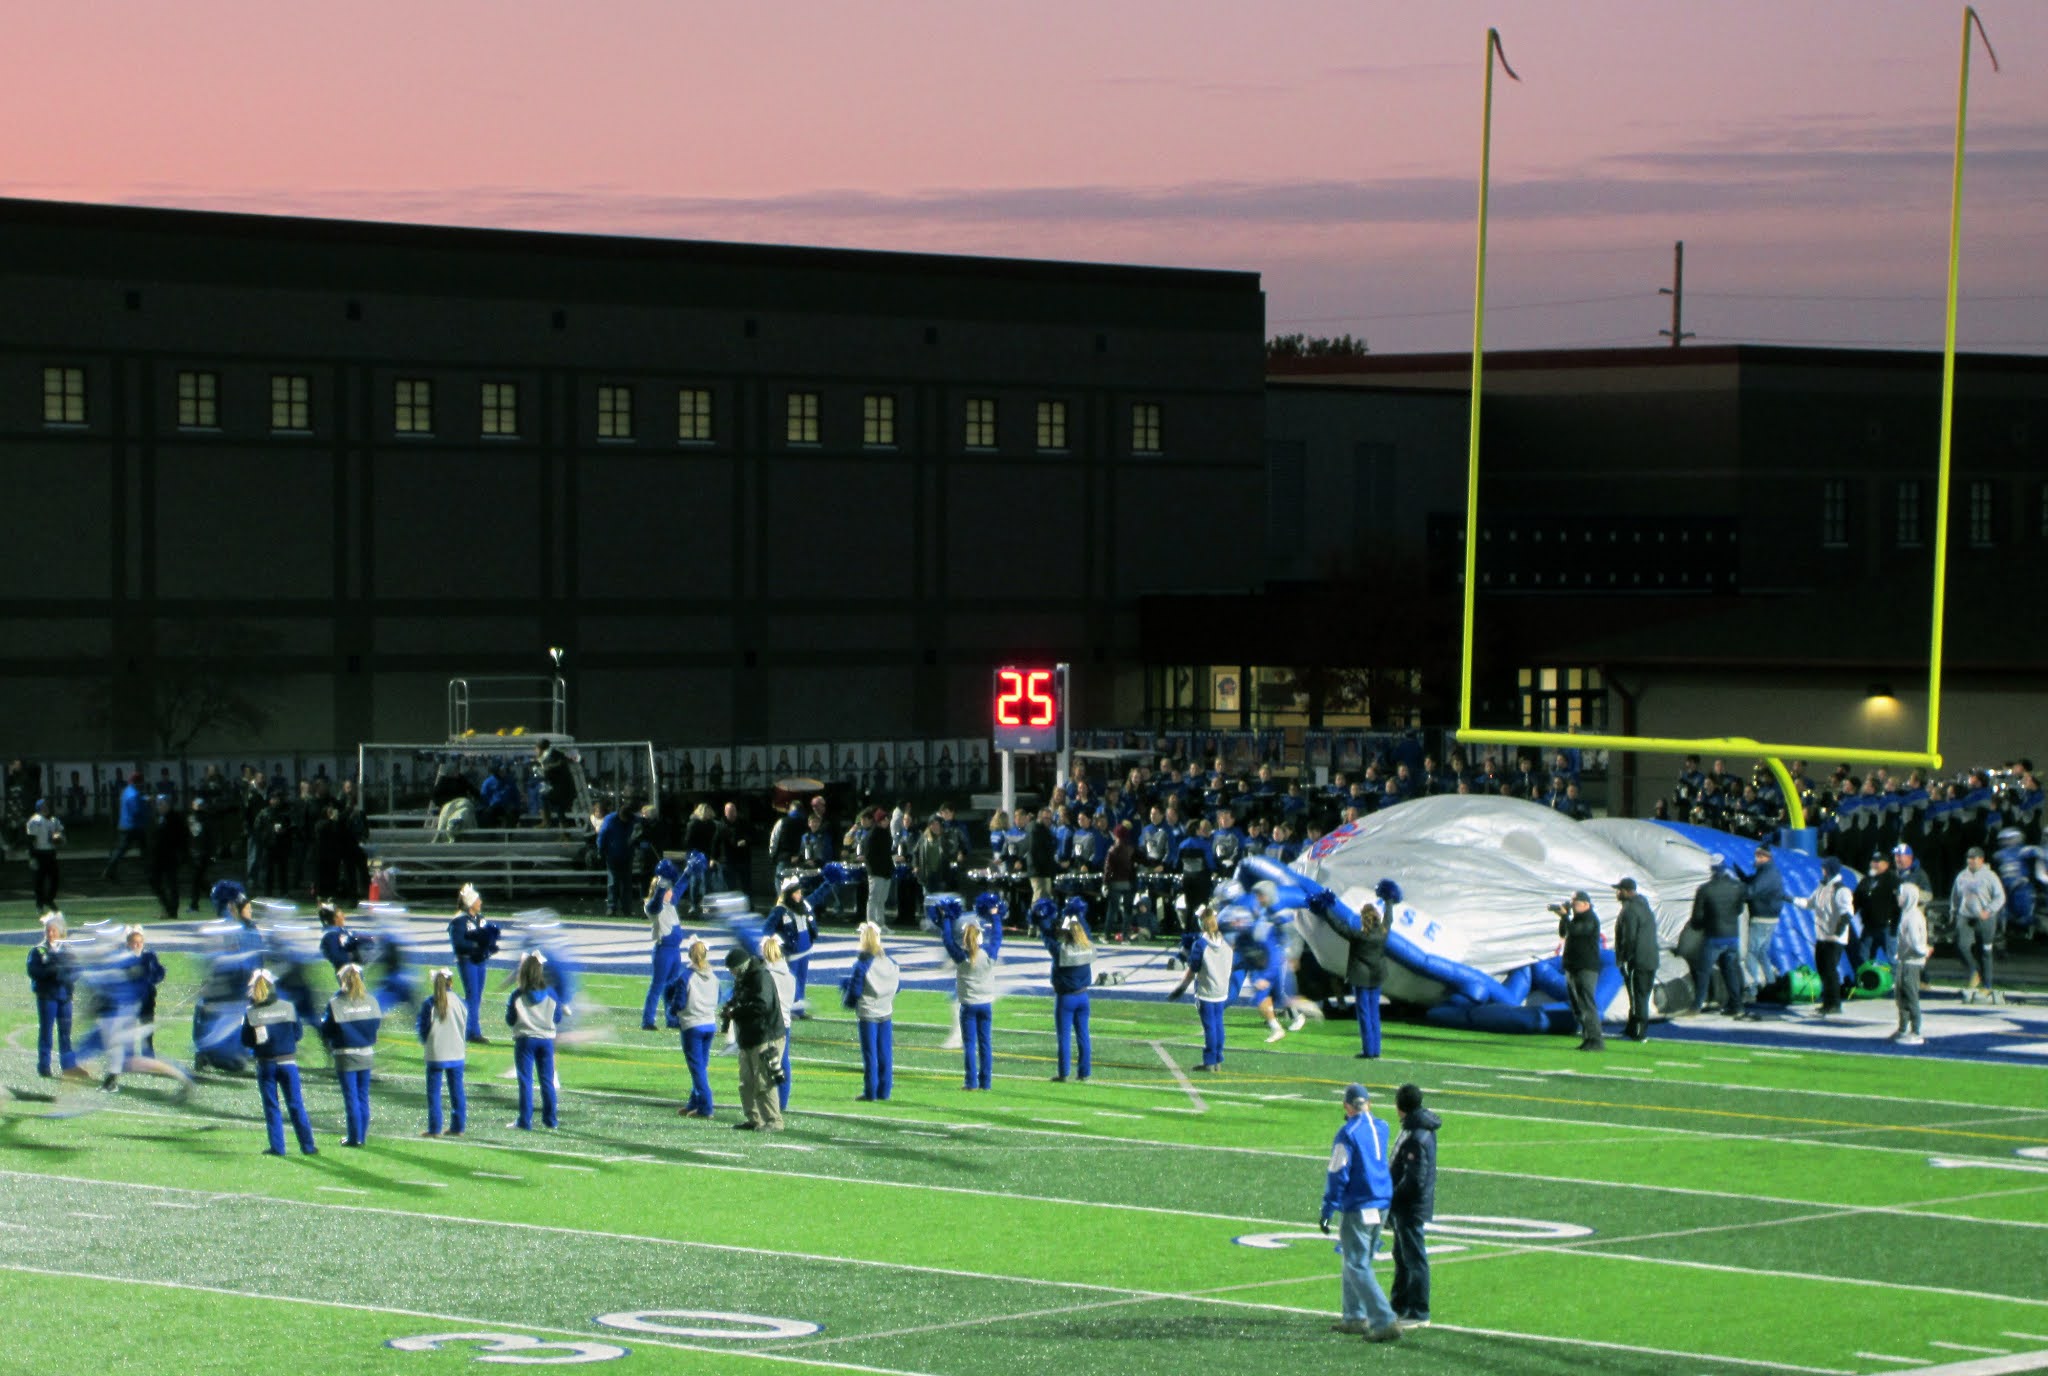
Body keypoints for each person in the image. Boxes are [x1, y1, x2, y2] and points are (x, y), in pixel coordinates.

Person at [1321, 1083, 1400, 1342]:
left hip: (1360, 1202)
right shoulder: (1382, 1126)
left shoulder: (1347, 1134)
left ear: (1346, 1106)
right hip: (1382, 1201)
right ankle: (1354, 1315)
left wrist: (1329, 1205)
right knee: (1356, 1259)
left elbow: (1337, 1171)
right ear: (1369, 1104)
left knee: (1356, 1263)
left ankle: (1383, 1319)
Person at [243, 968, 318, 1156]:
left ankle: (278, 1147)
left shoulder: (252, 1011)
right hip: (288, 1063)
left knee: (272, 1107)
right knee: (296, 1105)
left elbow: (246, 1040)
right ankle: (307, 1146)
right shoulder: (288, 1007)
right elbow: (298, 1034)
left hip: (266, 1064)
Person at [939, 894, 1005, 1090]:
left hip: (968, 1007)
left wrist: (947, 918)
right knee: (985, 1044)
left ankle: (971, 1082)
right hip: (986, 1005)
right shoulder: (989, 955)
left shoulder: (961, 958)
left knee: (970, 1045)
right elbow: (998, 936)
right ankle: (986, 1082)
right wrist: (995, 915)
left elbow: (948, 940)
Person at [1388, 1083, 1439, 1329]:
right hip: (1405, 1206)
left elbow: (1414, 1180)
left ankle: (1418, 1312)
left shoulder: (1416, 1135)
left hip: (1409, 1207)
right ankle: (1399, 1307)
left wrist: (1392, 1197)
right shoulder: (1415, 1128)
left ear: (1400, 1107)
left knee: (1413, 1258)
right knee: (1402, 1256)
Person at [722, 943, 784, 1130]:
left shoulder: (761, 978)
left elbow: (761, 1006)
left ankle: (774, 1121)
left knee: (764, 1081)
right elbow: (740, 999)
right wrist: (730, 1007)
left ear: (741, 967)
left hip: (766, 1036)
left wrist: (737, 1012)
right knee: (746, 1082)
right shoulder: (745, 977)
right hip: (748, 1037)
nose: (732, 973)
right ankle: (754, 1118)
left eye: (733, 970)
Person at [320, 963, 381, 1147]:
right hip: (367, 1052)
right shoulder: (371, 1000)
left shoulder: (336, 1002)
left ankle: (354, 1138)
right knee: (363, 1096)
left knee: (351, 1097)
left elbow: (326, 1029)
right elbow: (376, 1024)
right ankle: (361, 1135)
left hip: (345, 1054)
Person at [1167, 904, 1234, 1071]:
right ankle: (1218, 1058)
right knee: (1219, 1024)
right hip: (1222, 989)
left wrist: (1180, 988)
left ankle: (1210, 1060)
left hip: (1206, 991)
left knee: (1210, 1026)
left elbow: (1193, 970)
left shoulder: (1201, 945)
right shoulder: (1226, 942)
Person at [842, 921, 900, 1102]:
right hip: (886, 1011)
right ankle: (885, 1091)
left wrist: (847, 996)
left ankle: (870, 1092)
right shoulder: (890, 962)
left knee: (870, 1055)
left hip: (868, 1013)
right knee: (885, 1053)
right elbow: (897, 987)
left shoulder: (862, 964)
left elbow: (856, 991)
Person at [1040, 897, 1095, 1082]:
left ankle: (1064, 1073)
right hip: (1083, 997)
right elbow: (1085, 930)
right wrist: (1077, 914)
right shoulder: (1087, 946)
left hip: (1065, 999)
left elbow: (1047, 938)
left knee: (1064, 1037)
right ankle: (1084, 1073)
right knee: (1083, 1035)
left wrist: (1042, 919)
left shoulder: (1061, 951)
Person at [1329, 894, 1389, 1058]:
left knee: (1364, 1013)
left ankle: (1368, 1050)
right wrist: (1389, 902)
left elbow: (1338, 927)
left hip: (1361, 978)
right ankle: (1376, 1050)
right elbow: (1389, 920)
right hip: (1376, 977)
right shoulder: (1383, 934)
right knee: (1374, 1013)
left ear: (1363, 919)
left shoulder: (1359, 936)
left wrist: (1326, 909)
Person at [506, 951, 561, 1130]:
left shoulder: (517, 994)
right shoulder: (551, 993)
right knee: (547, 1080)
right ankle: (550, 1120)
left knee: (525, 1081)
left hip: (525, 1040)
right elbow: (557, 1017)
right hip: (546, 1041)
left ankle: (525, 1120)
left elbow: (510, 1019)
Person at [1688, 857, 1747, 1017]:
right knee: (1730, 971)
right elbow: (1739, 909)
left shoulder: (1705, 889)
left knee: (1704, 971)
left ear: (1712, 870)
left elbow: (1697, 918)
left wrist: (1700, 926)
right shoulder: (1737, 887)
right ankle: (1737, 1005)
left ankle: (1696, 1005)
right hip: (1732, 936)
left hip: (1713, 936)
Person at [415, 967, 468, 1137]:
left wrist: (427, 1042)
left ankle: (435, 1128)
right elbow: (467, 1022)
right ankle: (458, 1126)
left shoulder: (430, 1002)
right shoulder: (459, 1001)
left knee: (434, 1093)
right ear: (451, 982)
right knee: (457, 1090)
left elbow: (423, 1028)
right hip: (457, 1050)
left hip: (436, 1052)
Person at [672, 938, 721, 1119]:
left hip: (692, 1025)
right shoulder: (713, 975)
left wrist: (673, 1012)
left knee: (697, 1068)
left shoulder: (686, 976)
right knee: (701, 1066)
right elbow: (719, 997)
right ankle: (694, 1102)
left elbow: (679, 1001)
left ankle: (706, 1107)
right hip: (709, 1023)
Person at [1950, 845, 2006, 1003]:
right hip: (1965, 915)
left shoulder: (1990, 876)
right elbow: (1955, 896)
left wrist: (1988, 910)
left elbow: (2000, 897)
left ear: (1981, 859)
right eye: (1969, 858)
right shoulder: (1962, 876)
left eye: (1974, 858)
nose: (1971, 861)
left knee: (1986, 951)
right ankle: (1974, 970)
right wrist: (1953, 912)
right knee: (1961, 945)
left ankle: (1987, 985)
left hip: (1985, 917)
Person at [448, 884, 501, 1044]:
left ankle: (470, 1030)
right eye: (478, 899)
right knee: (472, 995)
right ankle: (472, 1032)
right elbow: (458, 944)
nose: (481, 902)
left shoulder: (480, 919)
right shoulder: (459, 921)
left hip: (480, 961)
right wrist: (477, 946)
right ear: (471, 903)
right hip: (467, 960)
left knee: (476, 997)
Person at [27, 914, 78, 1078]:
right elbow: (33, 971)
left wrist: (64, 976)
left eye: (54, 930)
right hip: (47, 996)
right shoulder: (39, 950)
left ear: (60, 931)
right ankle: (44, 1066)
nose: (51, 934)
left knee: (65, 1033)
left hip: (64, 997)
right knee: (46, 1032)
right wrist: (51, 970)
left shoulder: (67, 949)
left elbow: (76, 971)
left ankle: (68, 1066)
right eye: (48, 930)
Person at [1612, 877, 1660, 1041]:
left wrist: (1625, 958)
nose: (1617, 893)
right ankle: (1632, 1028)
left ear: (1626, 891)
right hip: (1650, 959)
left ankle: (1638, 1032)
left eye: (1619, 890)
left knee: (1637, 997)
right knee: (1642, 996)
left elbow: (1629, 937)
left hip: (1637, 960)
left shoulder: (1630, 910)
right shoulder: (1644, 906)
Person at [764, 875, 819, 1019]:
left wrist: (829, 883)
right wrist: (768, 943)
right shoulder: (780, 910)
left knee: (801, 980)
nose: (800, 895)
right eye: (797, 893)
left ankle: (799, 1010)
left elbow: (818, 896)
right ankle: (789, 1009)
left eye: (800, 893)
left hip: (805, 951)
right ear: (789, 894)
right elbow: (767, 928)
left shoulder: (803, 906)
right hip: (792, 952)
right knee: (791, 981)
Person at [643, 859, 687, 1031]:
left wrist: (688, 872)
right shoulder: (652, 905)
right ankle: (648, 1020)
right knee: (658, 985)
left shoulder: (670, 903)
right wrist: (661, 886)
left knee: (672, 986)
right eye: (668, 889)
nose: (671, 892)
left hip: (675, 951)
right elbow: (654, 905)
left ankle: (671, 1018)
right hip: (664, 951)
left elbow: (681, 887)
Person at [1559, 890, 1606, 1049]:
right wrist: (1563, 918)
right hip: (1573, 967)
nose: (1572, 906)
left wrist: (1566, 917)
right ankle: (1587, 1037)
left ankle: (1596, 1040)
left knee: (1587, 1003)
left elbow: (1575, 931)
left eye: (1575, 903)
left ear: (1585, 904)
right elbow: (1564, 932)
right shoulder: (1577, 919)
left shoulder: (1590, 919)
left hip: (1586, 967)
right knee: (1578, 1005)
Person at [1810, 859, 1856, 1016]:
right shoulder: (1822, 887)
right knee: (1823, 969)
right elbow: (1810, 903)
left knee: (1830, 971)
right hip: (1822, 936)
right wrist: (1790, 899)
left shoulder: (1841, 889)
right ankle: (1827, 1002)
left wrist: (1840, 928)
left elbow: (1847, 911)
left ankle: (1834, 1004)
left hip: (1834, 939)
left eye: (1824, 868)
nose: (1822, 871)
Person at [758, 933, 797, 1115]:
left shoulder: (764, 976)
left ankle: (769, 1102)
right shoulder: (789, 975)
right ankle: (783, 1101)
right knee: (783, 1061)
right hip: (785, 1022)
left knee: (766, 1063)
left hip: (768, 1023)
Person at [1743, 845, 1785, 999]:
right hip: (1770, 918)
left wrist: (1739, 891)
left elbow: (1752, 891)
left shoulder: (1767, 874)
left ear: (1767, 857)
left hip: (1762, 917)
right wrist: (1744, 878)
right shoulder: (1768, 872)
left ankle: (1755, 987)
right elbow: (1755, 882)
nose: (1756, 859)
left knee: (1751, 953)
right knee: (1762, 952)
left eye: (1759, 856)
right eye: (1756, 856)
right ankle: (1771, 984)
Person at [1893, 883, 1929, 1047]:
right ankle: (1902, 1028)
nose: (1898, 898)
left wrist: (1923, 951)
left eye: (1901, 895)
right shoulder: (1906, 914)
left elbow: (1915, 941)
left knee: (1910, 995)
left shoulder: (1913, 916)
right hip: (1905, 960)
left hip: (1912, 962)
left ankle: (1916, 1031)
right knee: (1901, 995)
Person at [103, 772, 148, 883]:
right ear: (138, 783)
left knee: (121, 850)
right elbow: (136, 811)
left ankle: (110, 871)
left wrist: (143, 800)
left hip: (125, 825)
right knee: (144, 850)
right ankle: (149, 871)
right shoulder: (135, 795)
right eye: (141, 783)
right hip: (134, 826)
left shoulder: (126, 791)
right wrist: (146, 809)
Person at [26, 796, 63, 914]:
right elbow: (31, 839)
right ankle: (39, 904)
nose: (46, 807)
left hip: (50, 852)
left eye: (47, 805)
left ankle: (49, 899)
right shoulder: (34, 820)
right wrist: (32, 856)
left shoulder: (54, 820)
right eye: (44, 806)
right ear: (39, 808)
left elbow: (59, 835)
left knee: (55, 879)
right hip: (39, 853)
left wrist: (59, 838)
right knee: (39, 881)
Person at [318, 902, 370, 971]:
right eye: (341, 914)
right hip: (347, 972)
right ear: (335, 918)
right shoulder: (331, 935)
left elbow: (356, 937)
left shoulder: (338, 932)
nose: (344, 916)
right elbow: (338, 957)